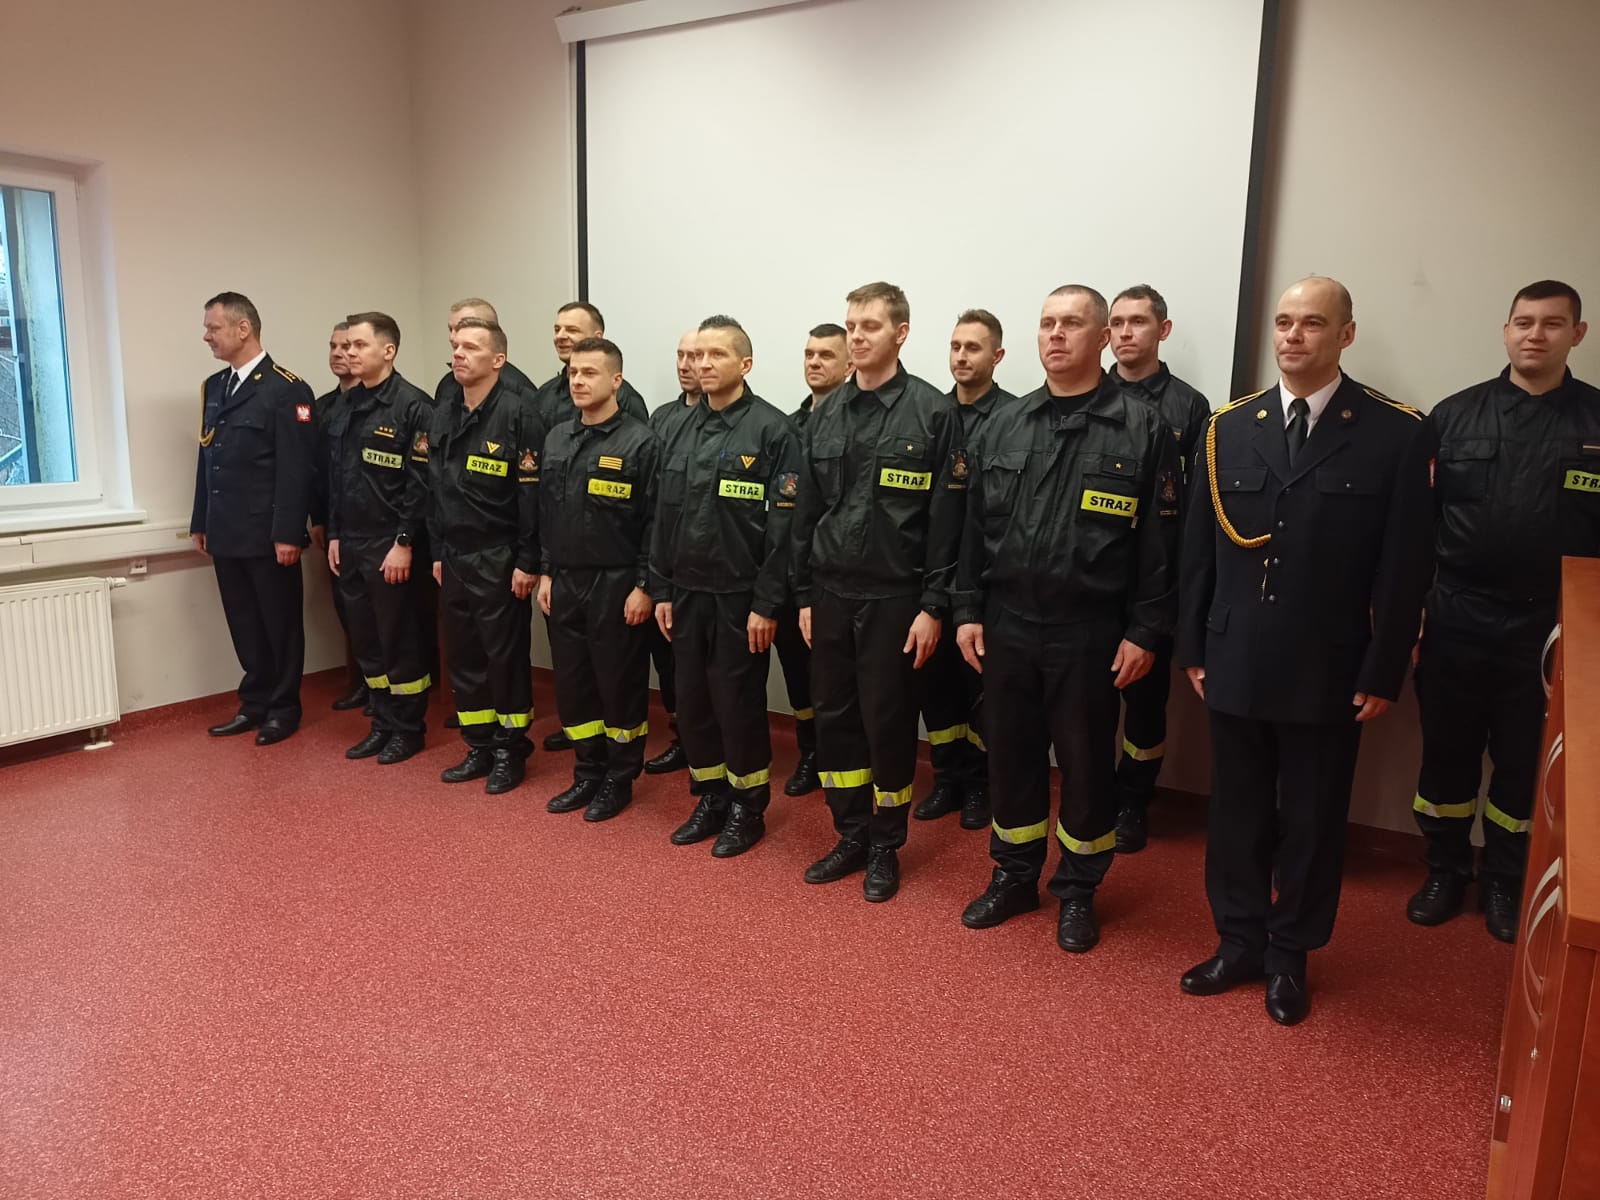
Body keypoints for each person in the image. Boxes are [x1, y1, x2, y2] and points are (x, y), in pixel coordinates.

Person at [1176, 276, 1433, 1025]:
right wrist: (1193, 645)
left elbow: (1405, 567)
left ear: (1345, 334)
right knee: (1237, 815)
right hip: (1236, 656)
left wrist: (1384, 667)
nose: (1293, 336)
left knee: (1315, 822)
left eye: (1312, 323)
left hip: (1330, 664)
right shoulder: (1227, 428)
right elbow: (1198, 553)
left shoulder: (1395, 432)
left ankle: (1290, 954)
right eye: (1284, 322)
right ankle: (1238, 942)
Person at [952, 287, 1179, 953]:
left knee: (1085, 767)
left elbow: (1163, 546)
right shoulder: (1005, 423)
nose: (1056, 334)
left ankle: (1078, 889)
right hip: (1008, 622)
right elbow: (972, 530)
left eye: (1072, 323)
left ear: (1102, 336)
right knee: (1011, 758)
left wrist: (1145, 630)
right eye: (1047, 323)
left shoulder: (1143, 428)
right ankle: (1015, 875)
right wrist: (966, 610)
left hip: (1090, 629)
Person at [1408, 279, 1599, 943]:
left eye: (1552, 323)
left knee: (1523, 763)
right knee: (1446, 753)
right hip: (1456, 615)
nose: (1535, 334)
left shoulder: (1596, 422)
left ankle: (1504, 880)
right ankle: (1444, 870)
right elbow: (1415, 529)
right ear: (1506, 329)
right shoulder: (1453, 416)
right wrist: (1412, 614)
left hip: (1551, 627)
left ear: (1577, 334)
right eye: (1524, 321)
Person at [791, 282, 964, 902]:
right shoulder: (826, 413)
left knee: (887, 722)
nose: (857, 336)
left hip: (896, 598)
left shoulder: (933, 413)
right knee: (835, 718)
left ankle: (886, 845)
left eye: (869, 326)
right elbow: (806, 513)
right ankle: (851, 834)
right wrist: (803, 595)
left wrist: (934, 606)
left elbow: (948, 523)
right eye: (851, 326)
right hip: (830, 593)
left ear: (901, 333)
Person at [652, 316, 801, 857]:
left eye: (716, 354)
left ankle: (746, 807)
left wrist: (768, 602)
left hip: (741, 596)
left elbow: (785, 528)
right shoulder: (675, 427)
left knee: (737, 705)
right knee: (692, 702)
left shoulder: (772, 431)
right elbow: (661, 516)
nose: (703, 363)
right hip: (686, 591)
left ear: (745, 364)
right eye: (697, 355)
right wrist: (661, 588)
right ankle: (711, 796)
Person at [1106, 285, 1213, 852]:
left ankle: (1133, 802)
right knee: (1088, 703)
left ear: (1162, 330)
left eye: (1138, 322)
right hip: (1093, 582)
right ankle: (1094, 796)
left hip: (1154, 585)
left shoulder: (1189, 407)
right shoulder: (1087, 395)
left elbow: (1196, 510)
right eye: (1117, 323)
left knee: (1145, 707)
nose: (1125, 333)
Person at [539, 337, 660, 821]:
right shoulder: (556, 438)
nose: (578, 381)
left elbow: (654, 522)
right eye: (573, 372)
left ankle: (619, 778)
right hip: (566, 580)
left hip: (617, 583)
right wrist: (546, 572)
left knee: (618, 684)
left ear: (616, 380)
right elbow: (547, 514)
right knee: (574, 685)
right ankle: (587, 771)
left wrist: (644, 585)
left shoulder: (640, 442)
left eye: (589, 373)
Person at [189, 291, 316, 746]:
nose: (206, 336)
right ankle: (255, 702)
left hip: (268, 533)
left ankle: (284, 708)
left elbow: (297, 468)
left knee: (280, 624)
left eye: (213, 327)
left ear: (243, 329)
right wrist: (201, 520)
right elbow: (208, 459)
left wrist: (289, 532)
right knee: (244, 623)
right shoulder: (214, 387)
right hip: (226, 530)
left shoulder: (287, 389)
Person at [427, 317, 546, 794]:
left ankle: (510, 750)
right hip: (455, 555)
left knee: (504, 657)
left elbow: (532, 496)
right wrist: (438, 550)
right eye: (456, 345)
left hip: (500, 555)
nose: (459, 353)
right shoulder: (444, 412)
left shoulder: (520, 414)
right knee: (464, 656)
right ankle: (478, 744)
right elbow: (434, 491)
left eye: (471, 347)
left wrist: (528, 560)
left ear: (498, 359)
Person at [914, 309, 1014, 832]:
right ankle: (947, 778)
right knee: (936, 687)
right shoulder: (931, 414)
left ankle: (979, 785)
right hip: (931, 576)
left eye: (973, 348)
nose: (961, 356)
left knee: (982, 691)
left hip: (985, 582)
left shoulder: (1015, 418)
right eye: (955, 346)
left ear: (997, 356)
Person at [326, 311, 437, 764]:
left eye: (360, 345)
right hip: (351, 540)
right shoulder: (346, 405)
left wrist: (404, 542)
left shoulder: (414, 407)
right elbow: (337, 477)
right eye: (347, 346)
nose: (350, 353)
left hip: (391, 543)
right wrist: (335, 533)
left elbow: (421, 484)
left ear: (388, 351)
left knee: (399, 639)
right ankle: (383, 723)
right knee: (367, 641)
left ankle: (408, 729)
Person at [774, 323, 851, 796]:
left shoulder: (854, 425)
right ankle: (810, 753)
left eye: (826, 355)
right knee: (797, 673)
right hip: (788, 574)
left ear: (849, 364)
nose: (815, 362)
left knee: (835, 681)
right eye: (809, 354)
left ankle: (839, 759)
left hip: (834, 579)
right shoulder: (787, 426)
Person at [640, 329, 703, 777]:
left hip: (709, 566)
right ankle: (682, 737)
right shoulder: (661, 418)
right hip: (664, 564)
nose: (685, 365)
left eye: (695, 356)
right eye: (681, 355)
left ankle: (708, 745)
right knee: (668, 660)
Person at [310, 321, 368, 713]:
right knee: (348, 609)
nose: (339, 353)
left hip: (375, 528)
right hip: (335, 525)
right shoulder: (324, 408)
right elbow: (316, 471)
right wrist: (318, 519)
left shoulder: (382, 403)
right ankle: (364, 682)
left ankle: (384, 690)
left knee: (378, 617)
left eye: (348, 346)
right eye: (333, 346)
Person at [432, 298, 537, 407]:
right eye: (450, 329)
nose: (452, 337)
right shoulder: (448, 384)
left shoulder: (518, 391)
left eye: (462, 328)